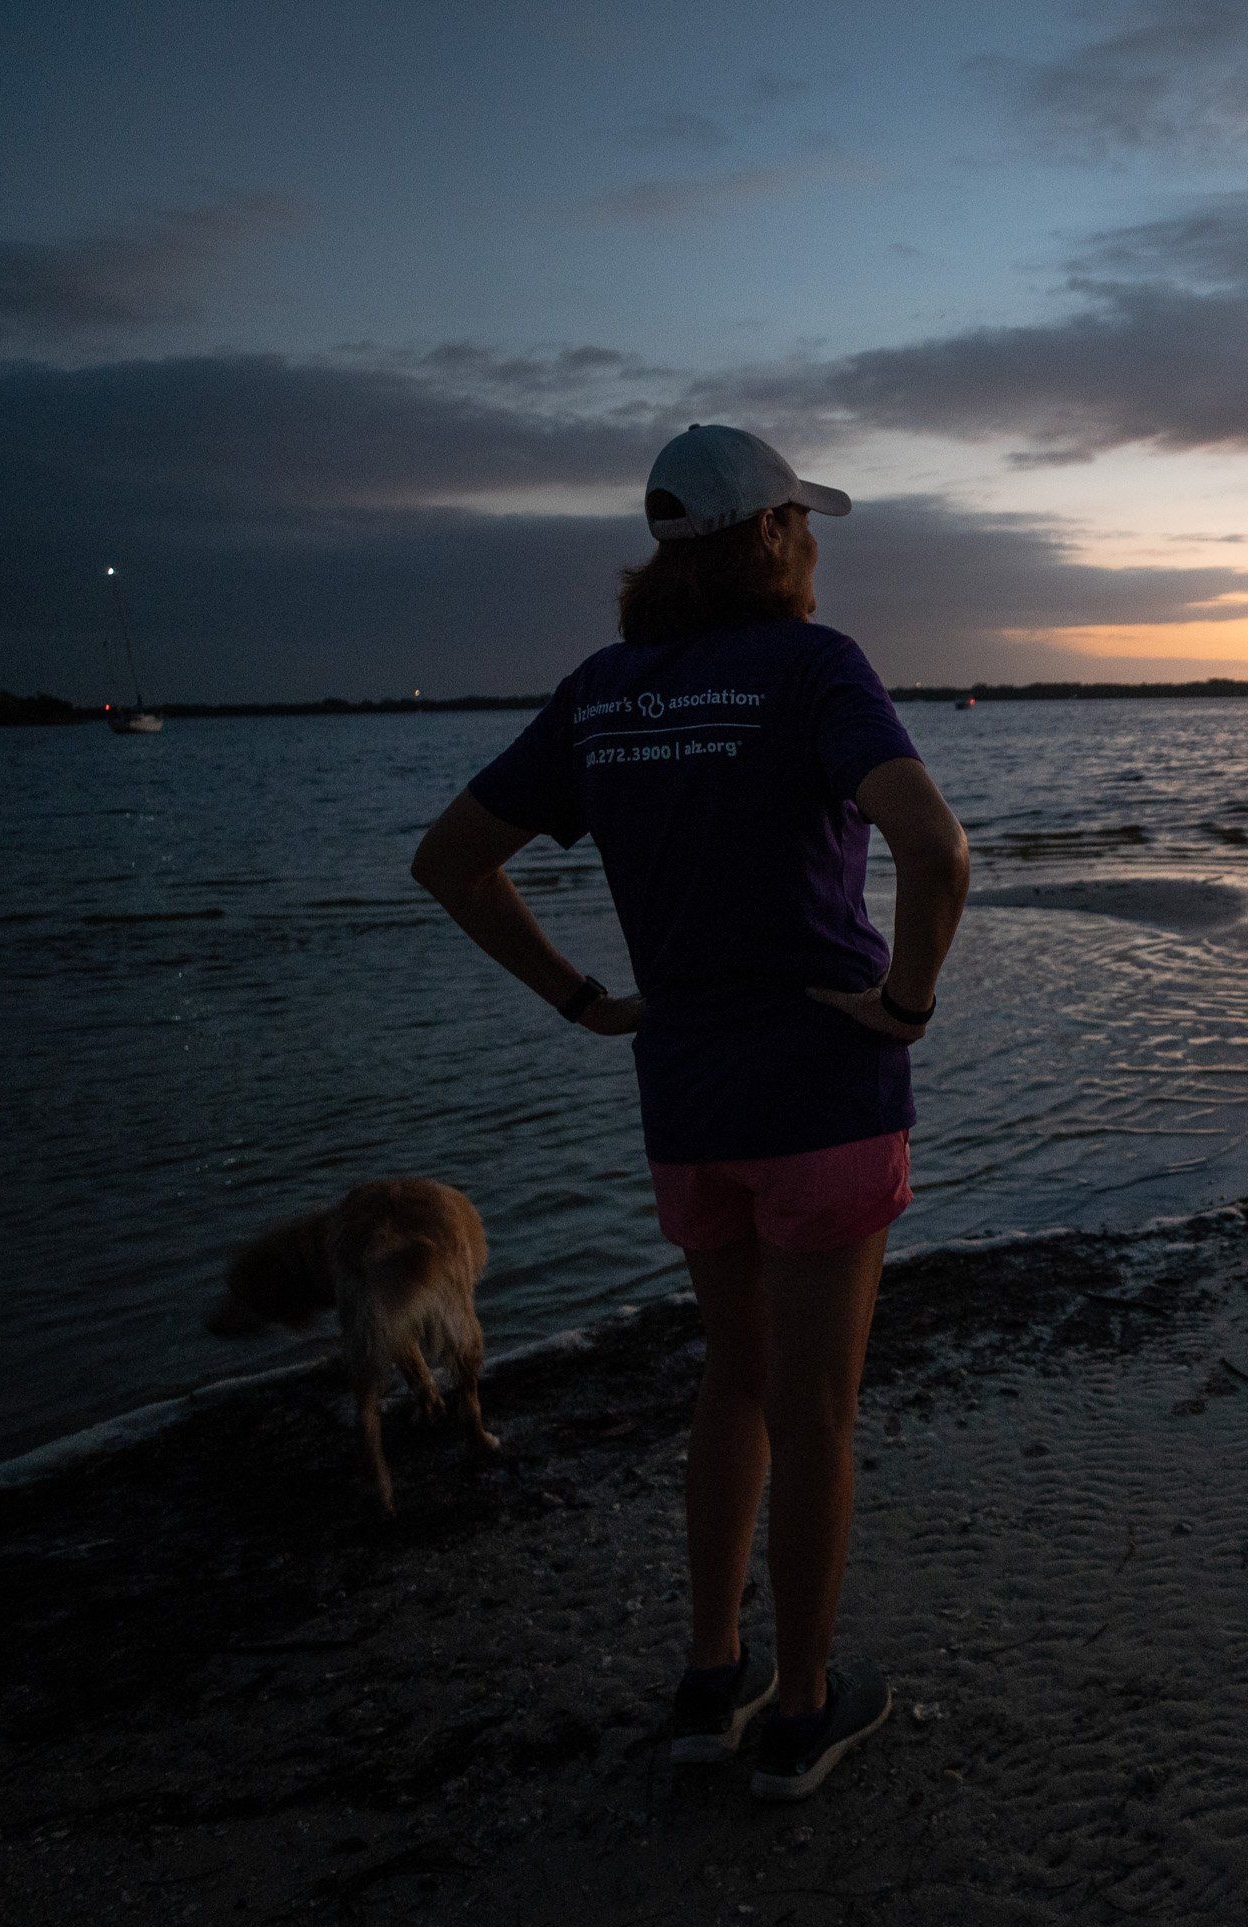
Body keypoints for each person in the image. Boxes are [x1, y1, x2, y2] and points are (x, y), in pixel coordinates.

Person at [411, 424, 969, 1802]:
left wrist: (582, 1001)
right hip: (826, 1095)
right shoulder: (812, 669)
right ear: (774, 536)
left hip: (689, 1104)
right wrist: (904, 1002)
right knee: (818, 1408)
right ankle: (803, 1710)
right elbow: (934, 844)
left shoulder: (606, 692)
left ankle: (708, 1680)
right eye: (806, 524)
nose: (818, 546)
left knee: (734, 1381)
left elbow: (452, 860)